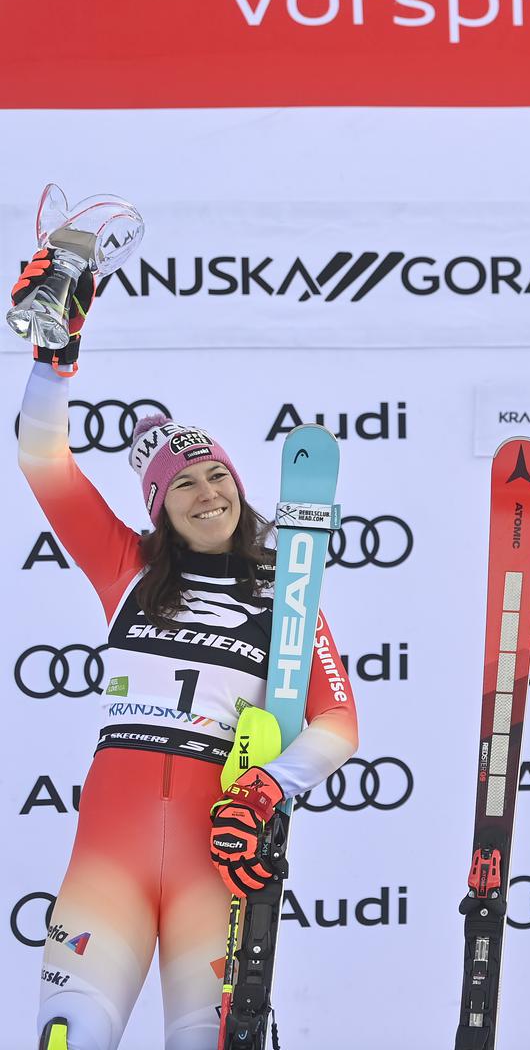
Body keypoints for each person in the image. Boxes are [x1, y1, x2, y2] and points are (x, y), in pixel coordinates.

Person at [12, 249, 359, 1050]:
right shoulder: (125, 567)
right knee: (68, 1035)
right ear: (159, 508)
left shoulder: (286, 593)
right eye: (185, 484)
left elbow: (339, 722)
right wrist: (53, 362)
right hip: (113, 848)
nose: (209, 493)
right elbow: (42, 459)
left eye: (217, 476)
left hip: (216, 848)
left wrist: (268, 788)